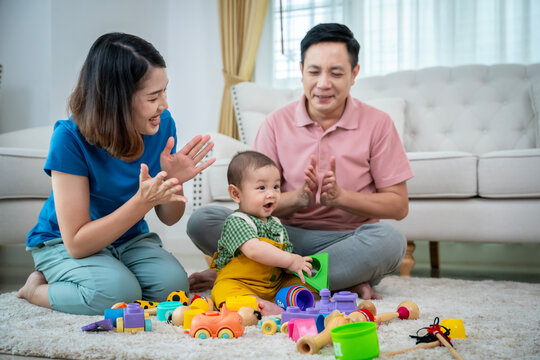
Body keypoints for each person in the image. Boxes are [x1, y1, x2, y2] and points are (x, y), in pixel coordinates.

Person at [187, 23, 413, 300]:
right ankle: (333, 280)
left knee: (390, 241)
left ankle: (256, 275)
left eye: (336, 73)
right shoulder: (275, 123)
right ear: (301, 70)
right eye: (314, 71)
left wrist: (340, 197)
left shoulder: (378, 123)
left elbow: (398, 205)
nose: (323, 84)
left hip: (346, 239)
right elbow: (250, 202)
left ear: (354, 74)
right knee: (203, 219)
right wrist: (299, 199)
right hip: (280, 236)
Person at [16, 32, 215, 315]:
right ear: (117, 100)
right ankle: (34, 288)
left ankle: (111, 270)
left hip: (128, 239)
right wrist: (143, 201)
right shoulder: (69, 138)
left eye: (165, 91)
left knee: (172, 288)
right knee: (117, 294)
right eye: (154, 96)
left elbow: (169, 218)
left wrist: (174, 181)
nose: (165, 104)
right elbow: (76, 243)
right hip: (63, 241)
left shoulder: (161, 125)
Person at [209, 151, 315, 316]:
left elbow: (282, 261)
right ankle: (257, 304)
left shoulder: (277, 225)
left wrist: (294, 267)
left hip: (273, 285)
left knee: (303, 282)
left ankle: (298, 299)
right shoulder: (237, 221)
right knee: (224, 292)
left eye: (276, 187)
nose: (271, 193)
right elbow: (254, 250)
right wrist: (290, 260)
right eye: (261, 188)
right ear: (236, 194)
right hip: (240, 282)